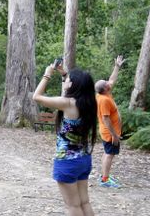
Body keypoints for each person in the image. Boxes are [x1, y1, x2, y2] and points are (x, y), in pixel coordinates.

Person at [33, 61, 97, 216]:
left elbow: (37, 96)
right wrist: (63, 74)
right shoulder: (89, 103)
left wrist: (47, 74)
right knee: (84, 202)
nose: (66, 81)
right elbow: (66, 93)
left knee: (72, 206)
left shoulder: (68, 104)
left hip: (67, 160)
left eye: (68, 79)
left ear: (73, 85)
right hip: (84, 159)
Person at [95, 55, 125, 188]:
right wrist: (114, 135)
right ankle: (105, 180)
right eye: (107, 83)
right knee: (109, 154)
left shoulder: (104, 93)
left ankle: (104, 176)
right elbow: (105, 119)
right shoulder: (104, 100)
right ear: (105, 88)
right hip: (109, 133)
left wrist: (117, 66)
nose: (109, 82)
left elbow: (112, 79)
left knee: (107, 153)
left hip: (110, 132)